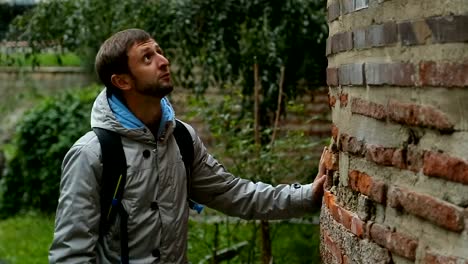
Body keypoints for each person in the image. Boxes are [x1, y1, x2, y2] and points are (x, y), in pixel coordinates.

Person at [49, 28, 327, 264]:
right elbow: (71, 255)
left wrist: (306, 196)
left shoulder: (180, 138)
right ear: (122, 81)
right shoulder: (92, 154)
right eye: (148, 57)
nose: (163, 61)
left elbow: (233, 193)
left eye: (159, 51)